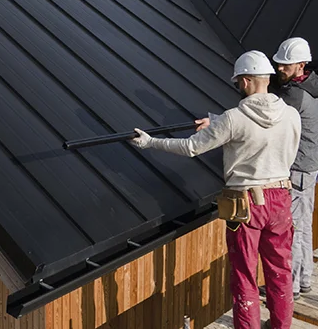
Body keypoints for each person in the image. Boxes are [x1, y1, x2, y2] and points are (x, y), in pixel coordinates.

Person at [129, 51, 301, 329]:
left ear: (244, 81)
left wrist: (150, 142)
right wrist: (217, 122)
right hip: (281, 198)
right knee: (280, 271)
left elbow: (191, 147)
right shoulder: (291, 114)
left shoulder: (233, 119)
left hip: (246, 205)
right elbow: (257, 129)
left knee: (245, 274)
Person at [271, 37, 318, 300]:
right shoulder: (310, 85)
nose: (279, 69)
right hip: (309, 165)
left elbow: (269, 115)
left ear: (301, 65)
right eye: (278, 64)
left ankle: (290, 288)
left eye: (286, 65)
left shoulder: (294, 95)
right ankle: (304, 280)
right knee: (304, 225)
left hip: (300, 169)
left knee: (293, 228)